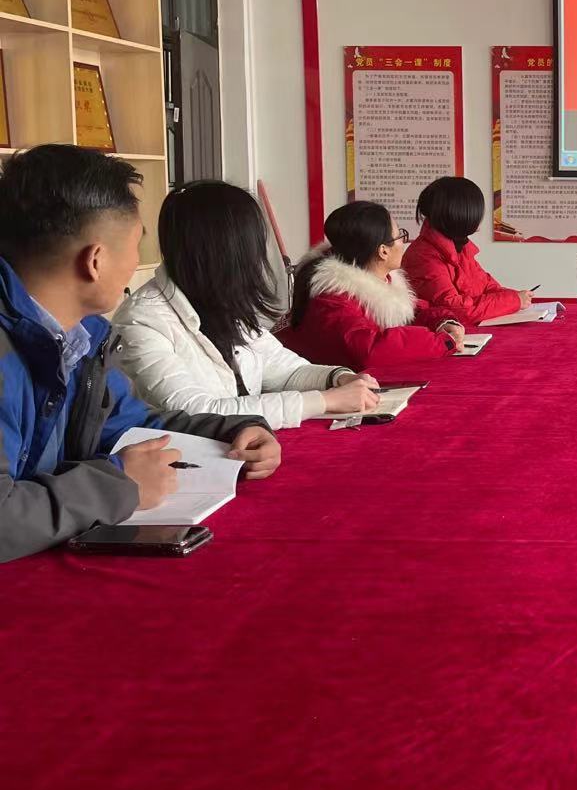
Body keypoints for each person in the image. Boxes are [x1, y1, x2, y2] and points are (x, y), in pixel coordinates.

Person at [0, 146, 282, 563]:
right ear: (95, 261)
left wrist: (233, 431)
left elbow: (130, 425)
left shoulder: (82, 337)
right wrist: (118, 485)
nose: (137, 264)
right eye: (136, 246)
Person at [112, 181, 380, 429]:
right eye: (254, 247)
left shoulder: (220, 301)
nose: (258, 259)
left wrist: (338, 378)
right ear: (226, 251)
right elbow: (198, 413)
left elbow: (287, 371)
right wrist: (325, 401)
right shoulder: (142, 320)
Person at [276, 201, 465, 371]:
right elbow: (369, 351)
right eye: (400, 235)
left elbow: (411, 312)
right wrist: (442, 343)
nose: (403, 242)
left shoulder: (379, 278)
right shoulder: (332, 298)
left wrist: (444, 322)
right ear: (383, 251)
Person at [404, 176, 530, 327]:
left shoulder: (460, 245)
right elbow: (456, 310)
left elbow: (487, 287)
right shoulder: (423, 257)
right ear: (459, 213)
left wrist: (515, 297)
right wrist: (514, 300)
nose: (480, 217)